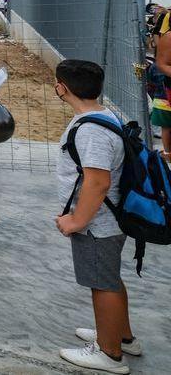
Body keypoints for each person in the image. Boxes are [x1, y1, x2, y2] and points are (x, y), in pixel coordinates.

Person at [52, 59, 140, 373]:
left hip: (98, 223)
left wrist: (77, 220)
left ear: (62, 88)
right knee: (109, 279)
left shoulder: (90, 130)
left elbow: (98, 181)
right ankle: (120, 334)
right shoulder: (102, 116)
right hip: (107, 220)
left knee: (103, 284)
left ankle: (109, 352)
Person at [150, 10, 171, 163]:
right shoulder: (169, 37)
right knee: (167, 123)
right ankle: (169, 153)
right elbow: (161, 64)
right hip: (168, 88)